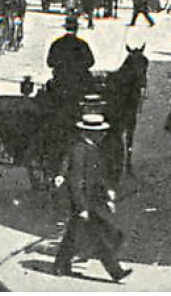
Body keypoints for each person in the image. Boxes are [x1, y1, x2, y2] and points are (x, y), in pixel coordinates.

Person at [54, 112, 131, 282]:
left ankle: (61, 265)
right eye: (100, 132)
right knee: (98, 237)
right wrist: (81, 207)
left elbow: (99, 176)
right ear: (89, 133)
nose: (103, 135)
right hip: (82, 201)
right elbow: (75, 181)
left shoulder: (93, 149)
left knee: (74, 236)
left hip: (92, 200)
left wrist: (108, 192)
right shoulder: (80, 150)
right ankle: (115, 271)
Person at [46, 14, 95, 115]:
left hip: (60, 81)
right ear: (76, 29)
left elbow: (50, 63)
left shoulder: (57, 44)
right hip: (80, 82)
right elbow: (91, 62)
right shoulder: (82, 44)